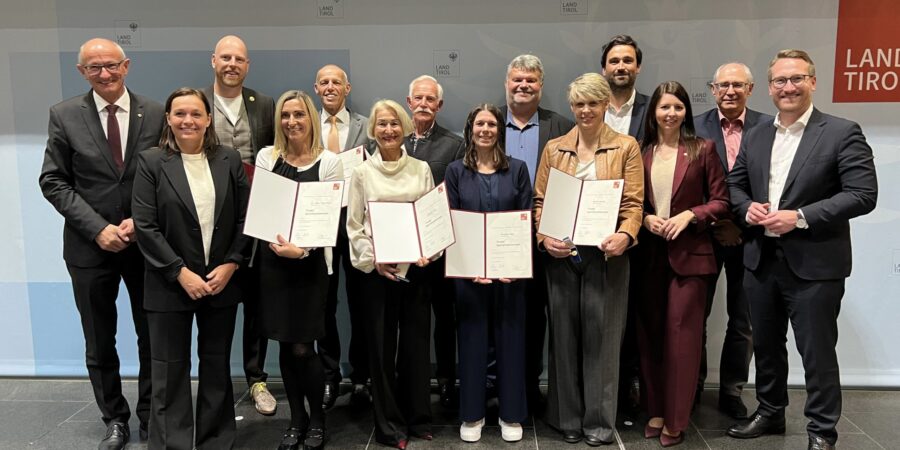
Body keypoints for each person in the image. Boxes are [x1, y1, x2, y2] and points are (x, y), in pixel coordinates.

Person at [726, 49, 878, 450]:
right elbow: (736, 185)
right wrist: (747, 208)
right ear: (770, 86)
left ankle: (822, 431)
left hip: (814, 263)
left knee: (817, 352)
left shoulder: (842, 131)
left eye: (796, 79)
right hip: (761, 258)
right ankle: (771, 412)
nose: (788, 87)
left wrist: (801, 216)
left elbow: (863, 194)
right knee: (766, 345)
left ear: (812, 81)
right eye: (780, 80)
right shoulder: (757, 133)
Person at [39, 37, 164, 450]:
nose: (105, 74)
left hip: (145, 246)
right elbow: (53, 180)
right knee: (99, 338)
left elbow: (167, 177)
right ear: (82, 72)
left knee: (153, 336)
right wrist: (98, 229)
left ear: (126, 65)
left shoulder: (157, 112)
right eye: (95, 68)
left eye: (111, 65)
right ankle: (114, 418)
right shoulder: (64, 115)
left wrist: (138, 222)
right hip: (89, 249)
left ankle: (151, 417)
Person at [132, 88, 250, 449]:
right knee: (169, 368)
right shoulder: (151, 162)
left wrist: (232, 263)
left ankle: (215, 439)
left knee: (216, 366)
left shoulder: (229, 160)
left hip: (220, 282)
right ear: (168, 118)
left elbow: (247, 219)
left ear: (208, 119)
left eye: (196, 114)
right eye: (180, 113)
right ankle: (173, 443)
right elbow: (145, 226)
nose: (188, 121)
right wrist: (179, 272)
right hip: (169, 284)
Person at [533, 73, 644, 446]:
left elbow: (633, 205)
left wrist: (625, 235)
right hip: (562, 255)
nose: (585, 110)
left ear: (606, 106)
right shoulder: (554, 149)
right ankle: (567, 418)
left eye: (593, 103)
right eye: (579, 104)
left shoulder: (626, 147)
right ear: (572, 107)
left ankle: (598, 423)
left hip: (607, 258)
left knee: (603, 340)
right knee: (563, 339)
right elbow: (539, 204)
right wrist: (544, 237)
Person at [633, 81, 729, 447]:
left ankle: (677, 418)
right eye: (663, 107)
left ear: (686, 111)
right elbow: (629, 201)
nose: (670, 113)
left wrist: (690, 214)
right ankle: (656, 410)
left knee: (682, 341)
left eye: (677, 107)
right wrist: (644, 219)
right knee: (651, 338)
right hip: (648, 257)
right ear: (653, 113)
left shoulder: (703, 149)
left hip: (690, 258)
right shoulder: (641, 152)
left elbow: (722, 201)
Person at [255, 90, 343, 450]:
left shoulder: (329, 163)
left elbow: (329, 219)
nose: (292, 122)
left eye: (299, 115)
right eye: (286, 115)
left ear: (311, 119)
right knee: (285, 344)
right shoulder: (266, 157)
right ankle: (296, 419)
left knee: (305, 347)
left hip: (310, 268)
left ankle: (318, 421)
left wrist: (301, 250)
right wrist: (283, 248)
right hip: (274, 264)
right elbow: (264, 210)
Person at [346, 100, 435, 449]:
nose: (388, 130)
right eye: (381, 124)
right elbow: (354, 225)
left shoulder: (421, 168)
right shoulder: (361, 173)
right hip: (378, 273)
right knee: (381, 352)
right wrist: (373, 259)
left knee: (415, 346)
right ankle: (389, 425)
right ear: (373, 130)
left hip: (417, 270)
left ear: (405, 128)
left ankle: (418, 418)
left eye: (394, 124)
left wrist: (430, 250)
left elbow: (431, 218)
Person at [444, 104, 531, 443]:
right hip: (469, 275)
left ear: (500, 130)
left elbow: (525, 218)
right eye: (479, 123)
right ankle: (472, 414)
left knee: (511, 341)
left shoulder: (519, 170)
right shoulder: (455, 171)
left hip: (511, 274)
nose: (485, 129)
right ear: (470, 129)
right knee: (471, 342)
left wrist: (513, 265)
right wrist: (469, 269)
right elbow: (451, 221)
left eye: (492, 124)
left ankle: (511, 414)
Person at [203, 34, 278, 416]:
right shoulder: (196, 104)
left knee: (257, 304)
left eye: (240, 59)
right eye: (226, 57)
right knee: (217, 302)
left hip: (259, 219)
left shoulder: (264, 104)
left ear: (247, 66)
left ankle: (257, 379)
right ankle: (214, 384)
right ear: (213, 61)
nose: (232, 64)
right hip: (211, 221)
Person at [693, 62, 773, 419]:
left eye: (738, 85)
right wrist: (716, 223)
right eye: (723, 85)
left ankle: (731, 391)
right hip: (703, 236)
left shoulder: (770, 127)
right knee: (696, 315)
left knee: (744, 320)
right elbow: (685, 185)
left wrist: (741, 225)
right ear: (712, 89)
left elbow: (775, 181)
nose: (730, 91)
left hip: (750, 236)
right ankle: (691, 387)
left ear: (751, 89)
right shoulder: (693, 125)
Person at [500, 54, 574, 412]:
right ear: (507, 84)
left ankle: (530, 388)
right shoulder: (489, 122)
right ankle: (496, 386)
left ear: (541, 86)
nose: (523, 86)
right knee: (499, 312)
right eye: (517, 80)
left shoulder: (560, 125)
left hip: (546, 236)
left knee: (538, 316)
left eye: (530, 80)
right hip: (498, 235)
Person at [404, 75, 465, 408]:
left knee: (445, 318)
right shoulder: (393, 139)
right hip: (403, 249)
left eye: (431, 99)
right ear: (409, 102)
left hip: (441, 249)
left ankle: (445, 379)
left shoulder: (454, 145)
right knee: (411, 319)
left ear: (439, 105)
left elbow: (457, 196)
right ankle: (411, 380)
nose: (424, 104)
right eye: (419, 98)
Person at [313, 63, 372, 408]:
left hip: (357, 222)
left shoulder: (367, 126)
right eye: (324, 82)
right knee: (324, 304)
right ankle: (329, 376)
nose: (331, 87)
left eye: (337, 82)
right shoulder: (306, 124)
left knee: (362, 301)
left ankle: (362, 374)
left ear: (347, 88)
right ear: (316, 88)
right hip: (320, 223)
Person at [599, 34, 650, 421]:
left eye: (627, 61)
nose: (621, 67)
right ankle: (605, 392)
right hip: (593, 231)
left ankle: (632, 388)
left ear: (638, 67)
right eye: (614, 61)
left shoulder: (655, 110)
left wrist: (634, 224)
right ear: (604, 68)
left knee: (636, 316)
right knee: (603, 315)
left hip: (642, 227)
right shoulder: (589, 109)